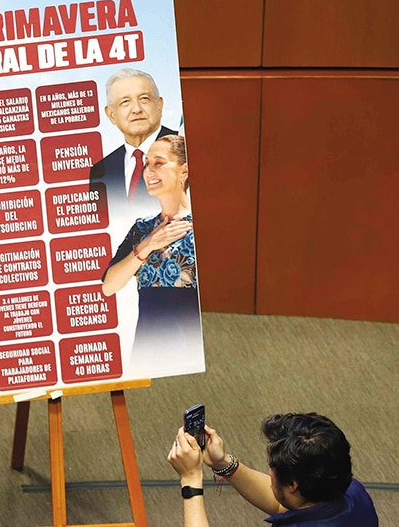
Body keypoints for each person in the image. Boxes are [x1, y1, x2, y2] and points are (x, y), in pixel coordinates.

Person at [168, 412, 379, 526]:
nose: (269, 473)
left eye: (272, 468)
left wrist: (191, 480)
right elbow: (282, 505)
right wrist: (223, 463)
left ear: (293, 485)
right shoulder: (353, 492)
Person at [101, 135, 200, 372]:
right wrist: (147, 245)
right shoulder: (142, 228)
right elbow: (108, 286)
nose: (149, 170)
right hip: (148, 350)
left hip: (192, 349)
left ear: (184, 170)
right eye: (146, 164)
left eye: (159, 162)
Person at [89, 68, 177, 221]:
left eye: (144, 99)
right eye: (125, 102)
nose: (136, 109)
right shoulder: (100, 171)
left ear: (159, 105)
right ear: (111, 115)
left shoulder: (184, 147)